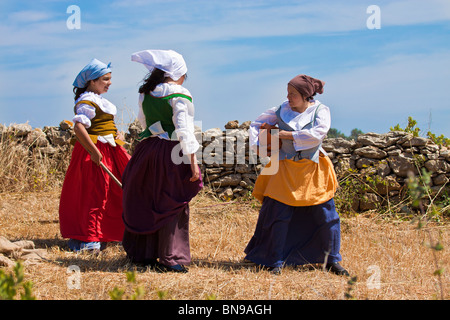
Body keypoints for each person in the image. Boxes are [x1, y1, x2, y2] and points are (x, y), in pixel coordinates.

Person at [244, 74, 349, 276]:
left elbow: (317, 134)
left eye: (293, 94)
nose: (288, 97)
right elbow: (256, 124)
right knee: (279, 216)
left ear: (305, 95)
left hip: (313, 168)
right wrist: (262, 146)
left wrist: (284, 135)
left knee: (327, 217)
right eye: (288, 93)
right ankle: (274, 260)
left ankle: (331, 260)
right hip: (284, 169)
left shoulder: (321, 111)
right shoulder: (281, 110)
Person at [121, 49, 202, 273]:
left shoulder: (146, 93)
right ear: (177, 73)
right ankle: (169, 257)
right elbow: (184, 130)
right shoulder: (180, 94)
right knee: (171, 202)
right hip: (171, 152)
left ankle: (142, 254)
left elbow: (142, 121)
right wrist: (193, 161)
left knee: (147, 198)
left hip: (147, 150)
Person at [59, 59, 131, 252]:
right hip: (95, 152)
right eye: (105, 79)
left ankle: (112, 232)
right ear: (91, 81)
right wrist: (93, 151)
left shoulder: (101, 101)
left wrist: (117, 135)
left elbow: (105, 126)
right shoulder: (86, 101)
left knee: (116, 191)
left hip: (111, 150)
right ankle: (89, 237)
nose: (109, 83)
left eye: (110, 79)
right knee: (95, 193)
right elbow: (79, 126)